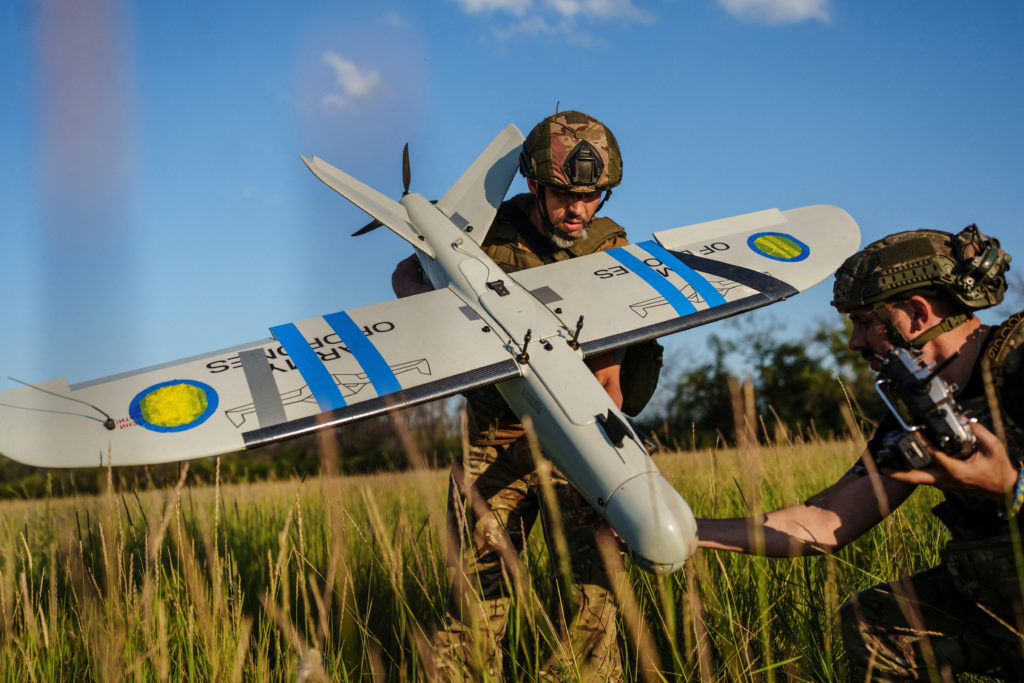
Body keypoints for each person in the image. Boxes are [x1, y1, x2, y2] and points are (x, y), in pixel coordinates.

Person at [697, 224, 1024, 681]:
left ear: (917, 311)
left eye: (866, 322)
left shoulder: (1017, 363)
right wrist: (687, 532)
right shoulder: (919, 405)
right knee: (874, 620)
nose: (854, 342)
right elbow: (824, 521)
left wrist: (1009, 487)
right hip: (993, 597)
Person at [393, 111, 633, 680]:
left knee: (592, 603)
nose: (578, 210)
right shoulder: (480, 231)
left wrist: (613, 471)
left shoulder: (608, 247)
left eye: (593, 196)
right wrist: (446, 314)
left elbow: (609, 384)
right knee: (476, 602)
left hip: (576, 438)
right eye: (563, 195)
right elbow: (407, 275)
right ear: (532, 185)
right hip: (493, 440)